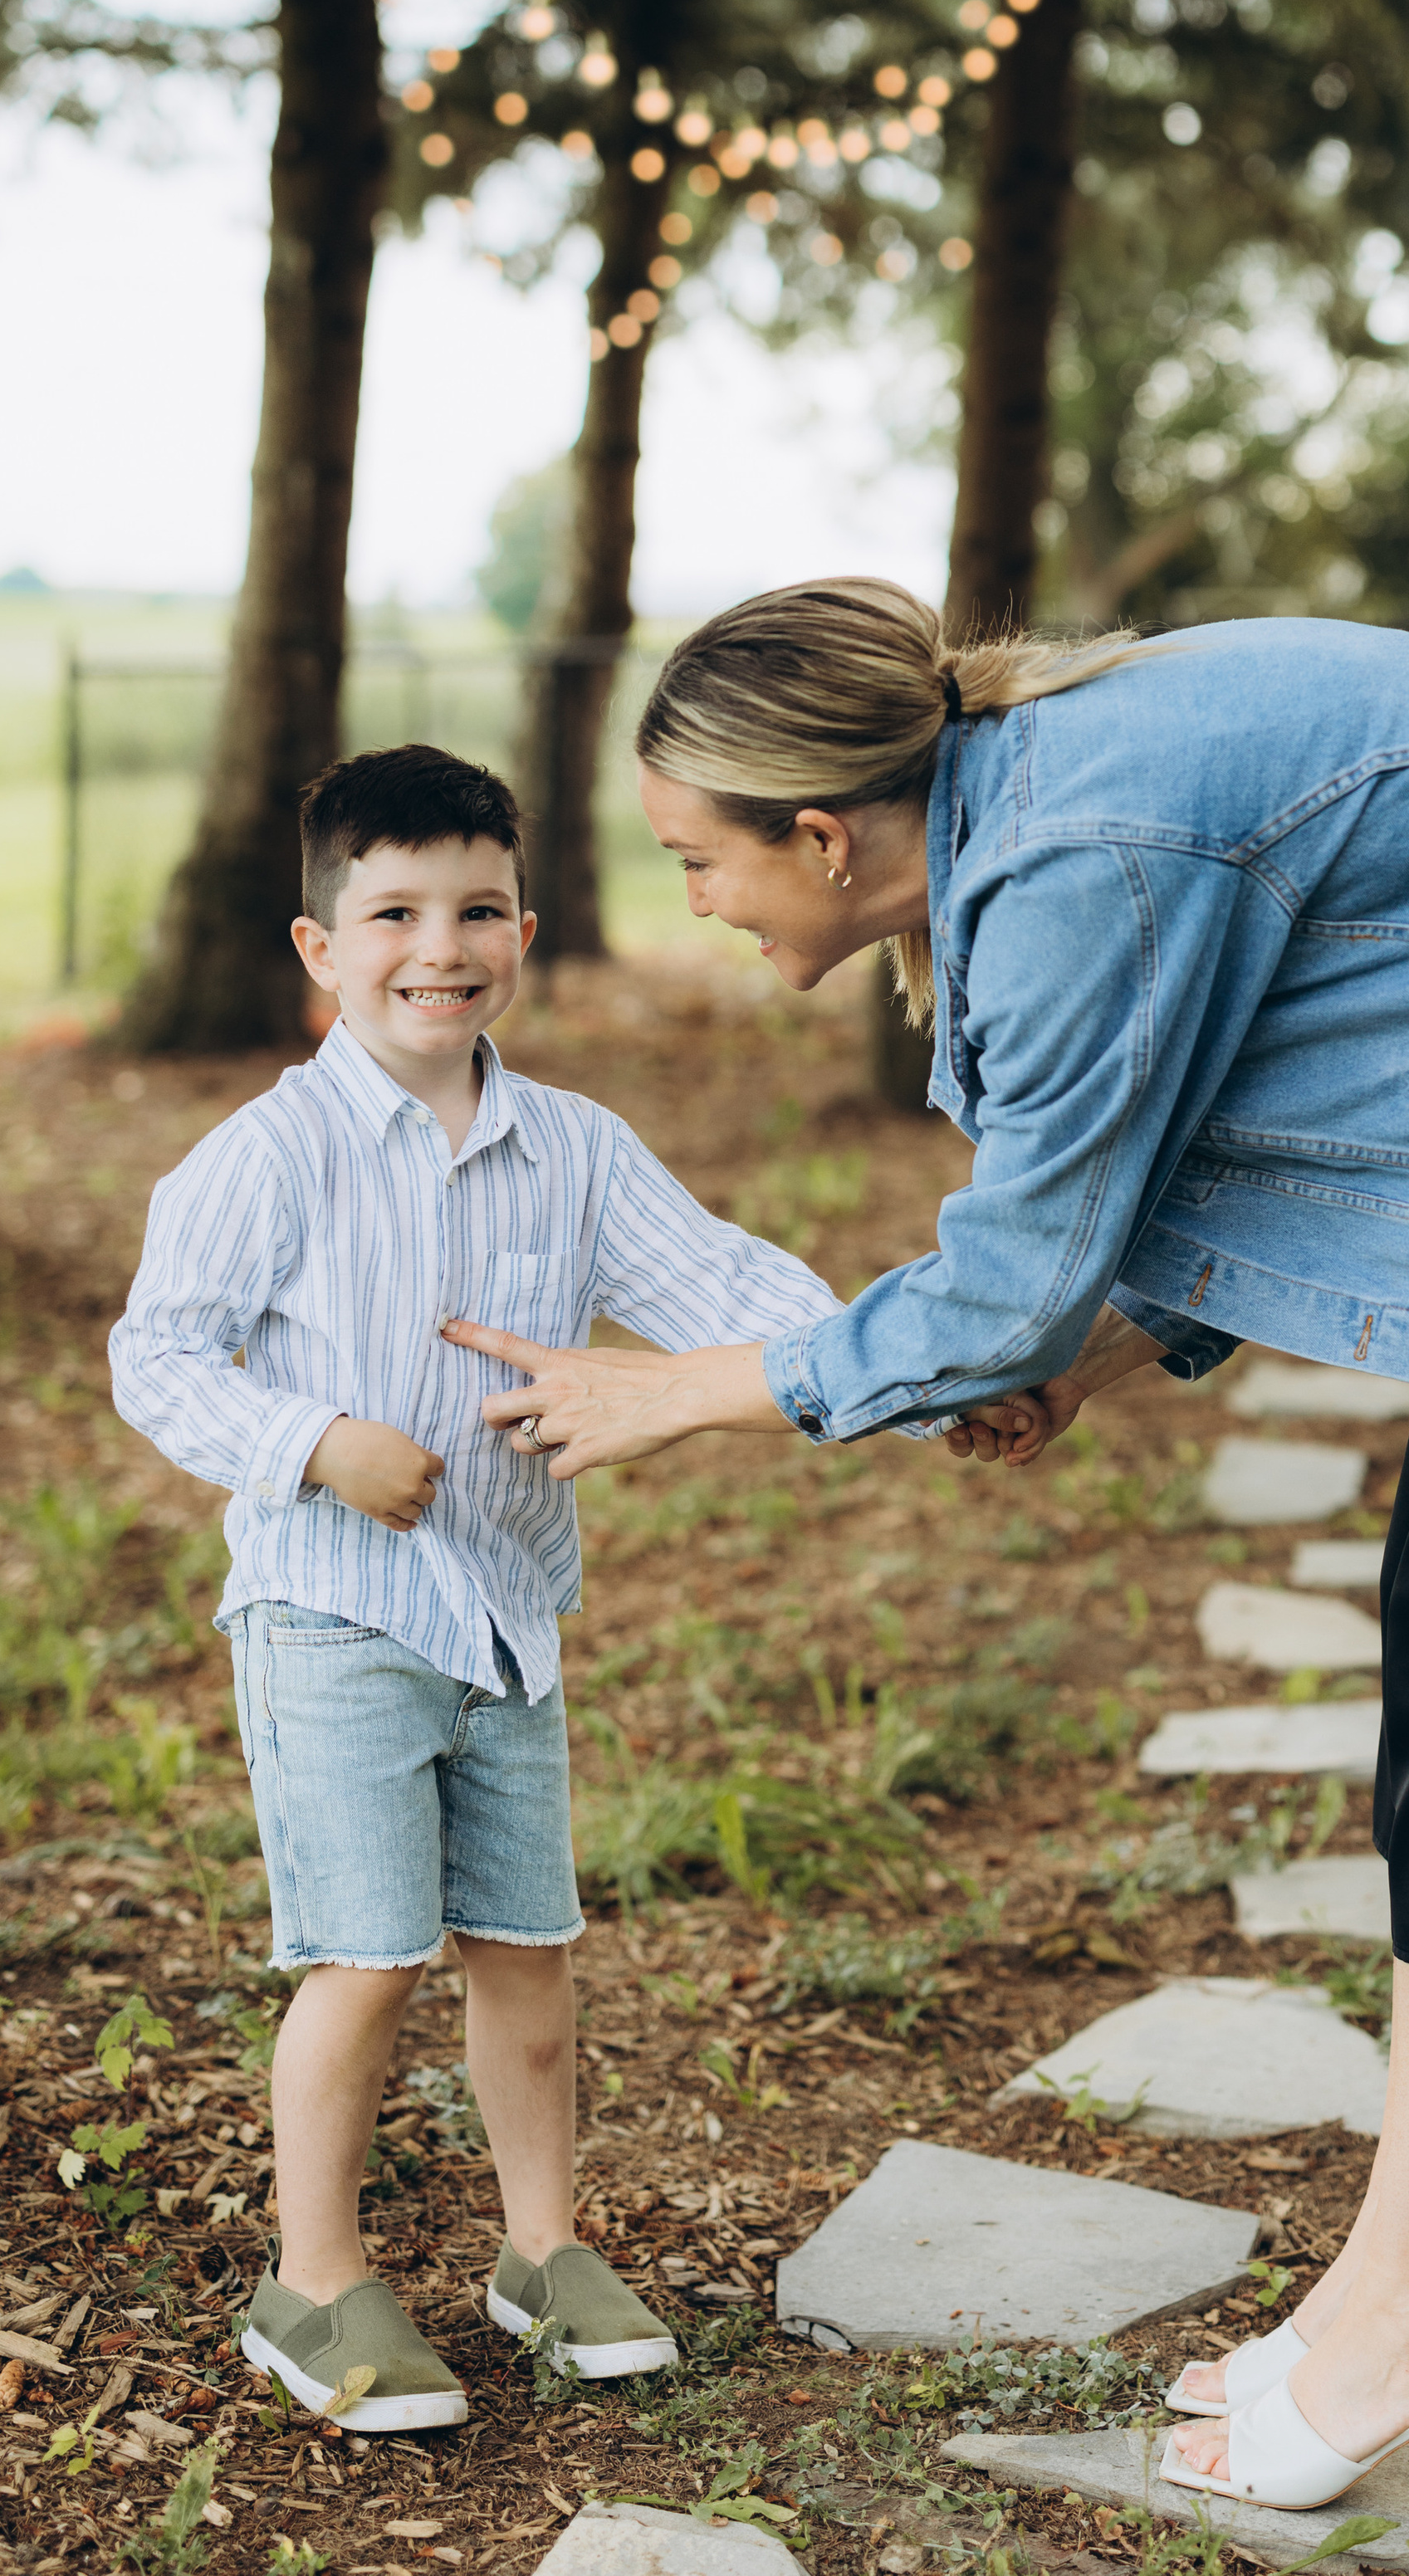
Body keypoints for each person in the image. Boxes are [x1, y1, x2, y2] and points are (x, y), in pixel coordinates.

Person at [444, 579, 1409, 2517]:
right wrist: (1099, 1357)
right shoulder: (1048, 805)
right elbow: (1261, 1086)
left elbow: (1007, 1277)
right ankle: (1399, 2280)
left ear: (822, 835)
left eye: (697, 860)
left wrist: (687, 1388)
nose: (691, 902)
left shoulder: (1069, 855)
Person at [108, 744, 1025, 2433]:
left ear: (525, 931)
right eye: (392, 913)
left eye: (476, 910)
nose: (437, 947)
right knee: (366, 1959)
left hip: (506, 1623)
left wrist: (922, 1380)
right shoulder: (270, 1155)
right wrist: (315, 1443)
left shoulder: (575, 1150)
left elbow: (726, 1289)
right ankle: (312, 2280)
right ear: (320, 948)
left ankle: (542, 2249)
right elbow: (157, 1358)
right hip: (332, 1617)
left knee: (527, 1952)